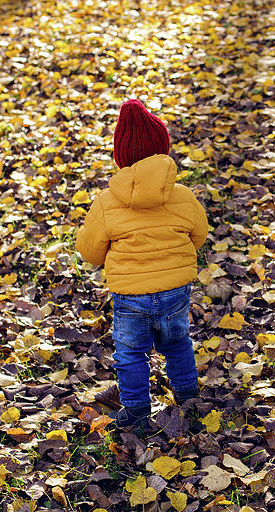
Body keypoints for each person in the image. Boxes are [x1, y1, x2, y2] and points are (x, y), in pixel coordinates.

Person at [76, 99, 209, 429]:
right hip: (174, 290)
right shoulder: (183, 196)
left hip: (130, 295)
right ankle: (188, 395)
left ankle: (136, 409)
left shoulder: (107, 203)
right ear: (163, 151)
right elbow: (199, 234)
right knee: (177, 343)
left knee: (131, 353)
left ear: (120, 157)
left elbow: (91, 252)